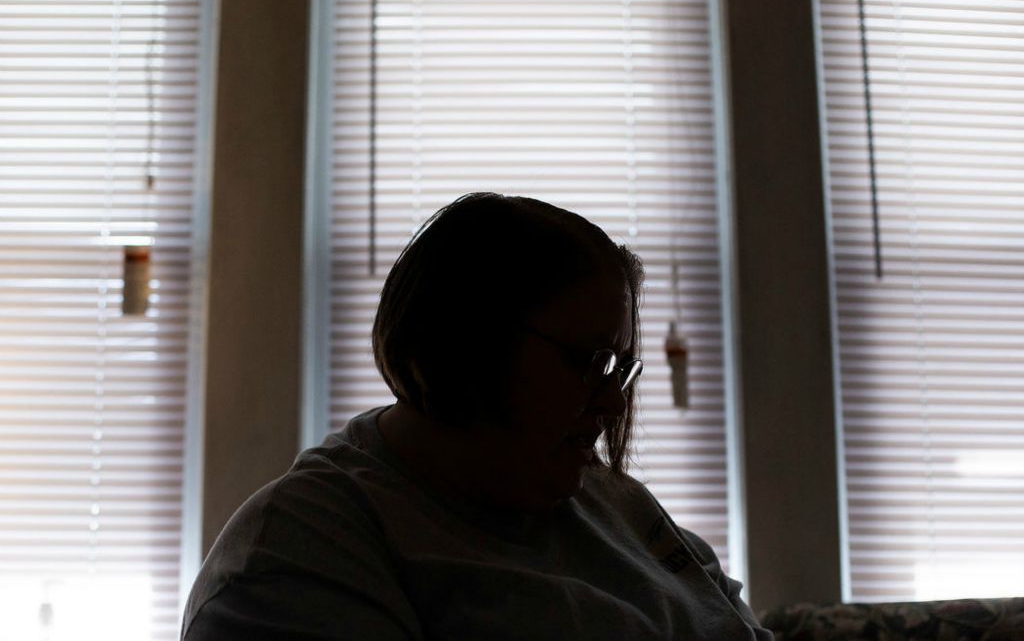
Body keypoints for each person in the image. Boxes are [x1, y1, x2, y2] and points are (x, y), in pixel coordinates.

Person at [181, 192, 773, 640]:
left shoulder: (611, 500)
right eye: (587, 362)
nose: (614, 401)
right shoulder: (300, 556)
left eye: (619, 368)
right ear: (461, 345)